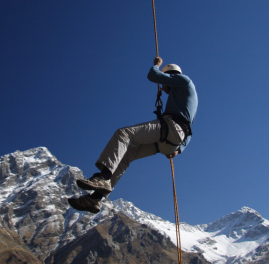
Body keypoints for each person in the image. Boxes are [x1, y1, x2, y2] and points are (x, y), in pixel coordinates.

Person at [68, 56, 198, 214]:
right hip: (173, 139)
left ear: (171, 75)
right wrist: (178, 149)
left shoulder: (183, 80)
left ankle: (103, 176)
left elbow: (153, 76)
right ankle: (95, 199)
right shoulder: (185, 100)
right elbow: (189, 132)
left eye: (164, 84)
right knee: (126, 156)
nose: (163, 88)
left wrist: (156, 65)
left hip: (171, 128)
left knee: (123, 134)